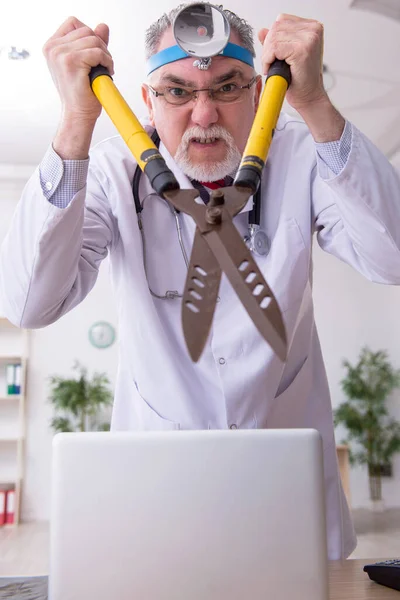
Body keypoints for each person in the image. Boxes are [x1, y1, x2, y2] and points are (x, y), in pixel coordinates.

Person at [1, 2, 400, 561]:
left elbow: (392, 257)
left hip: (288, 512)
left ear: (260, 93)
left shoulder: (303, 155)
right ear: (147, 101)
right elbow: (28, 303)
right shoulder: (114, 172)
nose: (205, 114)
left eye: (228, 86)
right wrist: (75, 124)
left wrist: (313, 103)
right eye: (178, 91)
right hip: (159, 506)